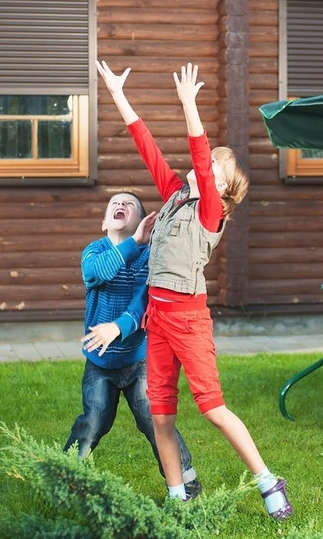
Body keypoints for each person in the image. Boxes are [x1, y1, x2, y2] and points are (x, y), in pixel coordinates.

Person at [97, 60, 293, 520]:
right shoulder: (174, 196)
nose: (204, 165)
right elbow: (147, 147)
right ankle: (177, 498)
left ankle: (268, 480)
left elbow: (201, 156)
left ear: (221, 187)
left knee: (212, 406)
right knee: (161, 413)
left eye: (214, 167)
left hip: (188, 319)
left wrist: (189, 103)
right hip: (158, 320)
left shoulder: (211, 212)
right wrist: (118, 95)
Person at [63, 191, 202, 499]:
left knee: (154, 420)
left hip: (139, 361)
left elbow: (143, 303)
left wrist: (118, 327)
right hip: (99, 363)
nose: (121, 205)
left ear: (142, 221)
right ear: (104, 222)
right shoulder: (94, 251)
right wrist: (134, 242)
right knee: (93, 422)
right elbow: (98, 273)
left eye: (129, 204)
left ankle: (185, 479)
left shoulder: (148, 257)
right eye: (114, 203)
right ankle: (64, 476)